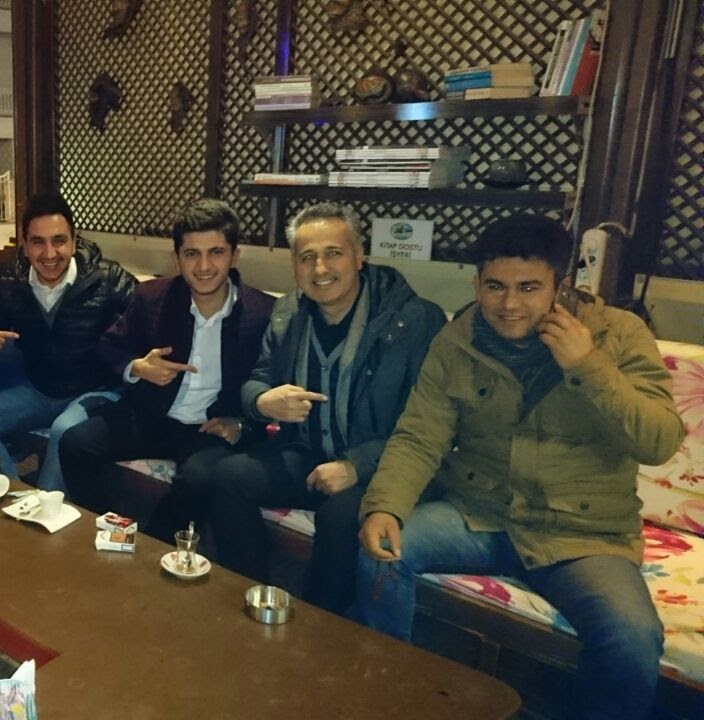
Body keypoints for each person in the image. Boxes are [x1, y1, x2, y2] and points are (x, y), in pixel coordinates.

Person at [356, 214, 682, 720]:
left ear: (560, 286)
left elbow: (658, 441)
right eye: (495, 286)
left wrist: (588, 365)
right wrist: (385, 508)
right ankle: (386, 699)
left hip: (582, 535)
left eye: (528, 287)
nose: (509, 304)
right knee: (383, 553)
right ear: (477, 284)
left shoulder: (618, 334)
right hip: (481, 515)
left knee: (633, 637)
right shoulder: (457, 340)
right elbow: (420, 436)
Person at [209, 202, 446, 616]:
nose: (320, 268)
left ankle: (321, 627)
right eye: (307, 257)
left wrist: (356, 465)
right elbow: (257, 379)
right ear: (294, 265)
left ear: (359, 255)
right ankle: (252, 598)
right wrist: (262, 402)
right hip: (307, 454)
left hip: (381, 466)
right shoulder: (288, 311)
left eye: (333, 253)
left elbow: (429, 427)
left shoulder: (414, 321)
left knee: (340, 516)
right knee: (228, 476)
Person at [59, 199, 274, 541]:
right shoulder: (152, 297)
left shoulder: (262, 313)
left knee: (201, 479)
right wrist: (137, 367)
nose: (204, 266)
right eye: (192, 254)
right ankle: (109, 531)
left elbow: (270, 384)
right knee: (74, 443)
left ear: (235, 255)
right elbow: (109, 346)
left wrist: (242, 424)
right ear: (177, 258)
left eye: (216, 252)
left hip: (209, 430)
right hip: (150, 416)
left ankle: (150, 546)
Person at [0, 192, 137, 492]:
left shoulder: (108, 278)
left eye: (59, 241)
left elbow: (149, 323)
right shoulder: (11, 281)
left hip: (96, 391)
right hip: (40, 391)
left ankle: (44, 507)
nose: (49, 253)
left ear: (74, 241)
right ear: (25, 245)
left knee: (63, 430)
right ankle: (17, 498)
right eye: (38, 242)